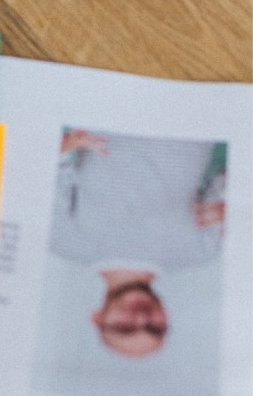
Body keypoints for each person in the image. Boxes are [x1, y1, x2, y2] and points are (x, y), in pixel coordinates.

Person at [50, 130, 227, 359]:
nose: (142, 318)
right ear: (167, 320)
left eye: (124, 327)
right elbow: (236, 168)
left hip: (117, 110)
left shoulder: (63, 242)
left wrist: (62, 146)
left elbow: (50, 163)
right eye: (155, 328)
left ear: (97, 318)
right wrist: (237, 203)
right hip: (195, 114)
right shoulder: (200, 252)